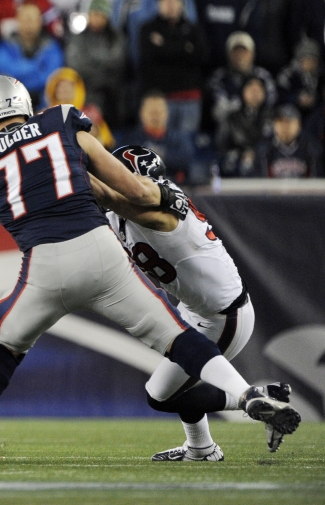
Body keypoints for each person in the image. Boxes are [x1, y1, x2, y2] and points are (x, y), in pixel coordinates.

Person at [0, 75, 300, 462]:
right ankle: (245, 395)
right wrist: (165, 192)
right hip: (100, 253)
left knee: (2, 346)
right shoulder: (60, 120)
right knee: (176, 337)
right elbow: (134, 192)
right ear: (26, 105)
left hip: (43, 267)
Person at [94, 146, 287, 460]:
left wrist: (69, 166)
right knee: (166, 392)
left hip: (223, 315)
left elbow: (114, 198)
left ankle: (259, 399)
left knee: (163, 395)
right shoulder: (121, 207)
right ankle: (201, 448)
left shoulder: (159, 208)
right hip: (197, 310)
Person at [139, 0, 208, 139]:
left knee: (186, 147)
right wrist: (184, 48)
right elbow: (148, 59)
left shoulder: (193, 29)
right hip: (161, 101)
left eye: (174, 0)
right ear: (158, 4)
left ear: (182, 4)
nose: (170, 4)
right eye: (165, 0)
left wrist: (164, 45)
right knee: (157, 149)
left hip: (190, 98)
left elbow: (201, 57)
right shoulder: (148, 28)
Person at [64, 0, 127, 127]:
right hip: (87, 93)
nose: (97, 18)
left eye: (101, 14)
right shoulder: (79, 38)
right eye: (94, 14)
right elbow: (76, 65)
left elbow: (118, 62)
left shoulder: (116, 37)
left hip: (113, 96)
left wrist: (93, 63)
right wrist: (102, 69)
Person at [0, 3, 64, 103]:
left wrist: (21, 76)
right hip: (12, 100)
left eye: (33, 19)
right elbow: (3, 70)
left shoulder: (51, 46)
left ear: (40, 22)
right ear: (17, 21)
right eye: (25, 19)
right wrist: (37, 67)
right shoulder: (5, 45)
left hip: (44, 101)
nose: (29, 24)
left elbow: (52, 75)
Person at [121, 91, 194, 181]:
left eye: (159, 112)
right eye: (152, 113)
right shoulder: (131, 139)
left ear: (167, 113)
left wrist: (156, 155)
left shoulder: (179, 138)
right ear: (141, 113)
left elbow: (185, 160)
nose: (155, 117)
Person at [217, 75, 273, 177]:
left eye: (259, 89)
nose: (255, 92)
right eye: (251, 88)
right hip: (236, 165)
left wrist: (255, 153)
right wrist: (241, 154)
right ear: (243, 92)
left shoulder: (273, 117)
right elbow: (221, 146)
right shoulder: (231, 118)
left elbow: (274, 145)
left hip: (264, 164)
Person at [256, 105, 321, 178]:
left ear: (298, 125)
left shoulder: (310, 147)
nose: (284, 127)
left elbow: (316, 181)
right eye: (280, 122)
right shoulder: (265, 148)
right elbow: (261, 183)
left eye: (288, 122)